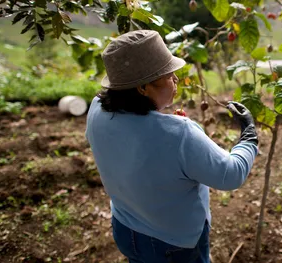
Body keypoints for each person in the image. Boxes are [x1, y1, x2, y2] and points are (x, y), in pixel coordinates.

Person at [85, 30, 259, 263]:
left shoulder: (96, 108)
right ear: (143, 88)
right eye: (168, 74)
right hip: (173, 245)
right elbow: (231, 174)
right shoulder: (179, 134)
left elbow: (135, 140)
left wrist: (159, 119)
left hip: (126, 227)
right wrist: (249, 135)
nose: (176, 78)